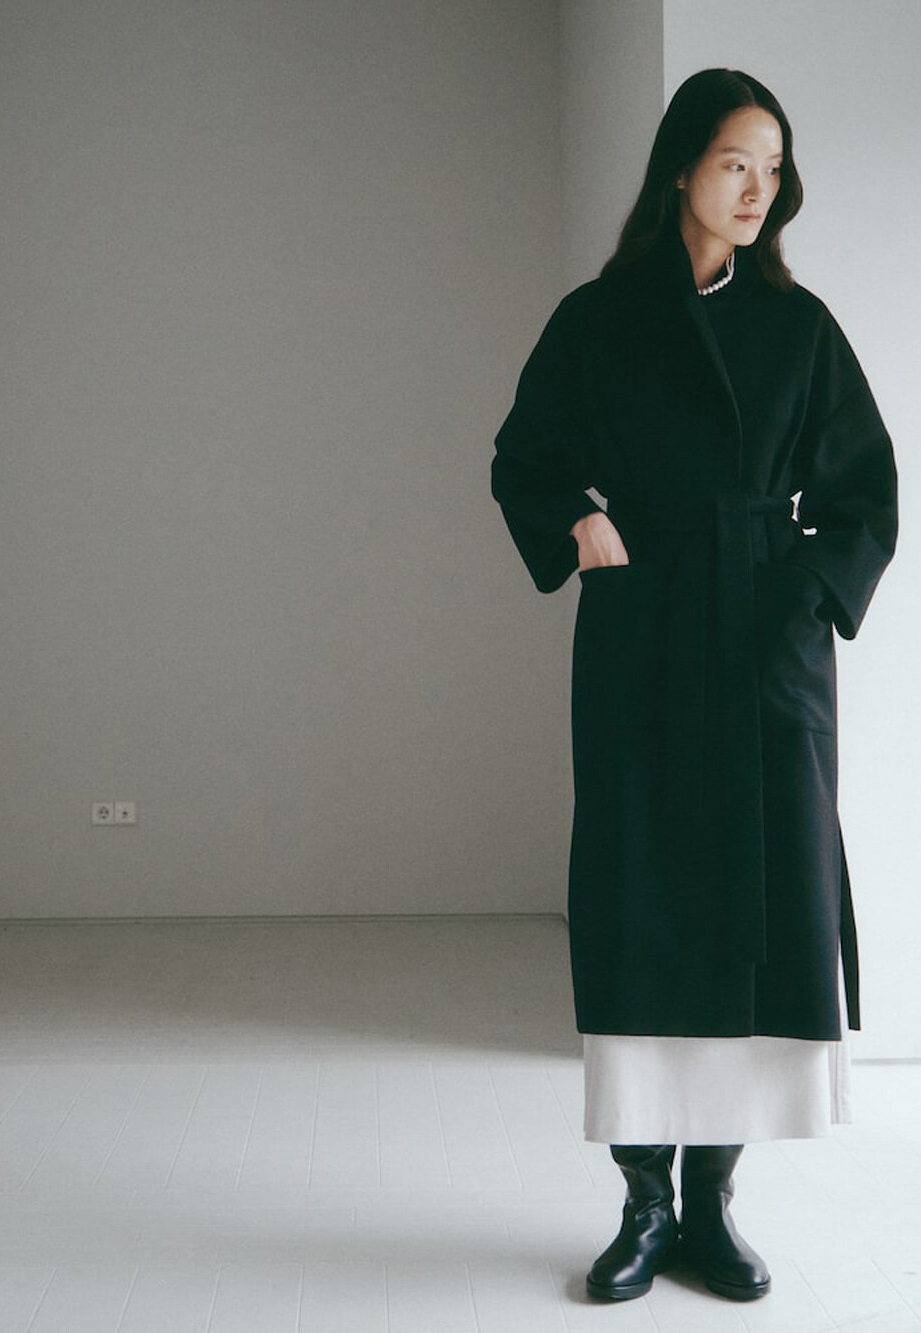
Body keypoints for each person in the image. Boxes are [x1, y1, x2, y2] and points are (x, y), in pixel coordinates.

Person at [491, 68, 897, 1304]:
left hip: (765, 645)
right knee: (640, 897)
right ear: (680, 167)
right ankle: (643, 1203)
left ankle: (714, 1203)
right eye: (734, 162)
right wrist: (578, 524)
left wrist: (806, 596)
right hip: (645, 636)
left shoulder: (799, 327)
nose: (756, 187)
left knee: (755, 909)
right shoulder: (597, 319)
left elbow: (866, 493)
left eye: (771, 167)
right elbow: (524, 456)